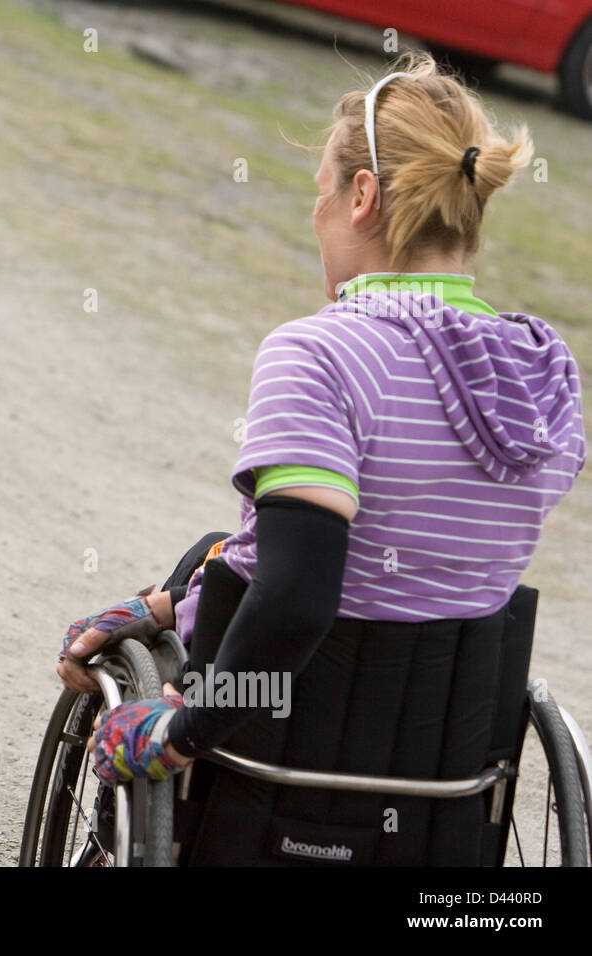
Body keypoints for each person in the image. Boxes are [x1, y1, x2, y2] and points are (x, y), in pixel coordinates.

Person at [58, 53, 585, 833]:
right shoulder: (541, 377)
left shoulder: (320, 355)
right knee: (221, 549)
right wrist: (169, 601)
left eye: (321, 193)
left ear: (362, 197)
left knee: (243, 564)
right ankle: (167, 601)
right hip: (442, 795)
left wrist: (180, 732)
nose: (317, 217)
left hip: (275, 777)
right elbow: (415, 559)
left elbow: (299, 597)